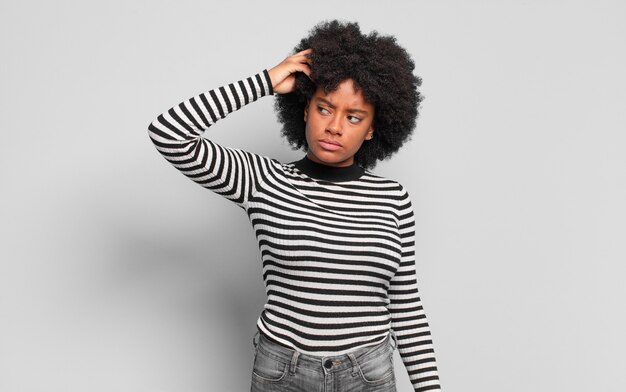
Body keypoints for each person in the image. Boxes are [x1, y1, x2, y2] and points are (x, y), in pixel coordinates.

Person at [148, 20, 441, 392]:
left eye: (353, 117)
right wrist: (265, 82)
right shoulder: (263, 180)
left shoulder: (393, 198)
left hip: (368, 374)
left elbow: (406, 305)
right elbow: (170, 135)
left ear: (372, 129)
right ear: (305, 110)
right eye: (324, 108)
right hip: (283, 373)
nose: (334, 126)